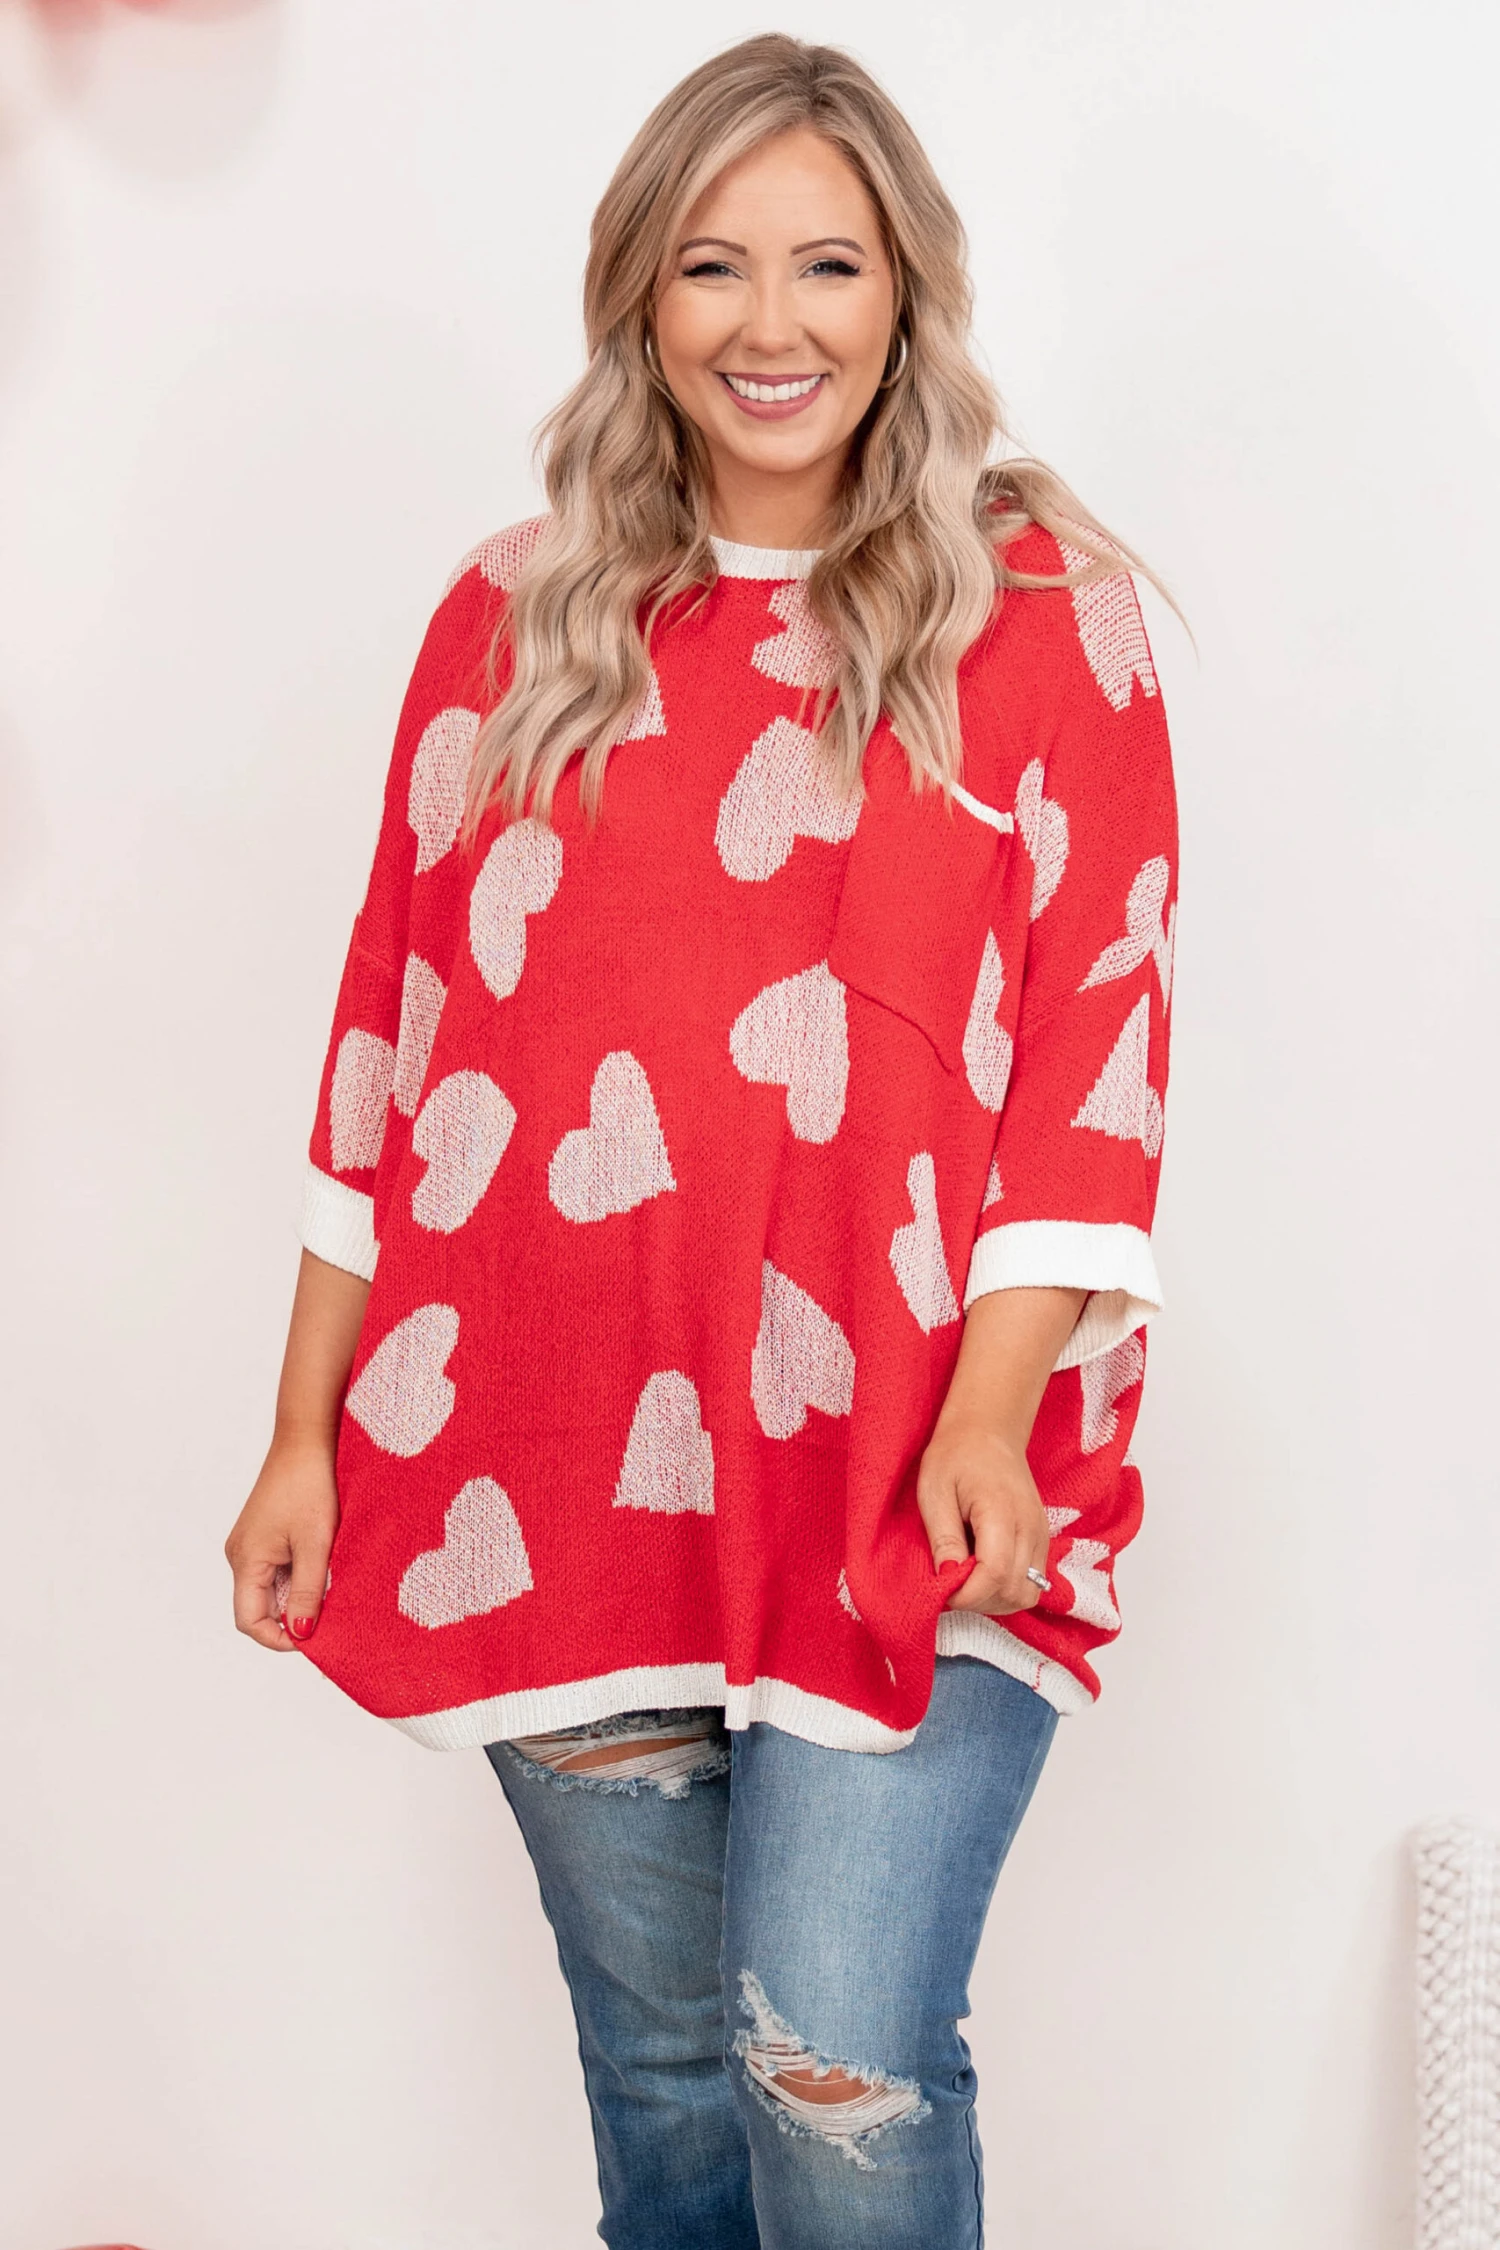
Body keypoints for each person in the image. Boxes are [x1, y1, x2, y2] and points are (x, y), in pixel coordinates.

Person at [225, 33, 1177, 2249]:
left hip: (915, 1460)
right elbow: (391, 1050)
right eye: (712, 265)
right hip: (551, 1459)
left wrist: (994, 1406)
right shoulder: (514, 616)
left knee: (835, 2059)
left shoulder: (1045, 612)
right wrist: (300, 1431)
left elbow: (1095, 1057)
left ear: (906, 288)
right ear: (639, 298)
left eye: (827, 263)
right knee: (664, 2083)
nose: (773, 323)